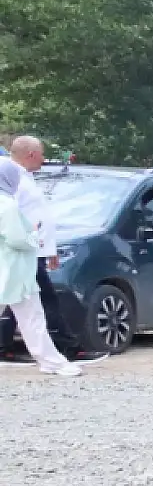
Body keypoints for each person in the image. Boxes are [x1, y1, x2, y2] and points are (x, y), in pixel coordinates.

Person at [2, 136, 79, 357]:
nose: (44, 159)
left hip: (33, 250)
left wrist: (49, 250)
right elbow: (16, 220)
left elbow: (39, 217)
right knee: (39, 300)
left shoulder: (26, 178)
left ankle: (8, 346)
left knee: (27, 301)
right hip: (22, 251)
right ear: (31, 155)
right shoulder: (13, 179)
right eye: (42, 154)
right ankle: (67, 347)